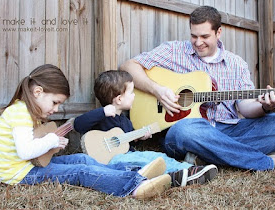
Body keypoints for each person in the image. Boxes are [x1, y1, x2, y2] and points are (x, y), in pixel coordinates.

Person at [120, 6, 275, 171]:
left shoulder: (237, 64)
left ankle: (207, 156)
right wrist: (157, 90)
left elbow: (245, 108)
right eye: (193, 36)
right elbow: (128, 66)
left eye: (205, 36)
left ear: (218, 32)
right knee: (185, 130)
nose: (198, 43)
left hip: (228, 129)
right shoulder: (173, 51)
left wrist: (266, 107)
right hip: (188, 130)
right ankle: (269, 161)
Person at [0, 64, 171, 200]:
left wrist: (53, 142)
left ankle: (136, 172)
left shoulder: (24, 110)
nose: (57, 109)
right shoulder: (20, 113)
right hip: (20, 174)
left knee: (83, 159)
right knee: (80, 171)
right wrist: (52, 140)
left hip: (26, 166)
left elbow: (30, 148)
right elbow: (25, 151)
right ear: (37, 92)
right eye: (55, 102)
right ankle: (134, 187)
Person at [73, 70, 218, 187]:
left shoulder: (125, 121)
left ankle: (187, 169)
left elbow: (127, 144)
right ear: (119, 99)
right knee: (148, 160)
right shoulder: (101, 116)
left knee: (155, 157)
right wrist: (102, 112)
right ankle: (184, 172)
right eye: (131, 92)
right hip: (113, 161)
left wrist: (140, 138)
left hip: (127, 157)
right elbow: (78, 124)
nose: (134, 96)